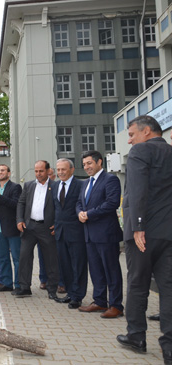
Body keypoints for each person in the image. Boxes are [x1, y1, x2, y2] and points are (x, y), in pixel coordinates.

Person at [116, 116, 172, 362]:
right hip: (168, 233)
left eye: (131, 134)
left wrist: (138, 226)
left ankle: (136, 335)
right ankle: (169, 346)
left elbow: (138, 189)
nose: (129, 140)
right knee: (169, 288)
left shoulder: (141, 151)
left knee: (138, 284)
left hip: (143, 234)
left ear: (146, 131)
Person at [76, 150, 124, 319]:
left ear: (99, 162)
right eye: (84, 165)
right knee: (96, 270)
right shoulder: (86, 183)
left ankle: (116, 305)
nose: (87, 167)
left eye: (89, 163)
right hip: (89, 234)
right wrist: (80, 212)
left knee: (111, 270)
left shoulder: (110, 180)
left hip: (106, 234)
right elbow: (79, 203)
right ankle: (99, 301)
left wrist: (89, 214)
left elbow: (112, 203)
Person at [15, 160, 59, 299]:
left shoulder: (55, 186)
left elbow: (60, 206)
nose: (38, 174)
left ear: (47, 171)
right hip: (29, 227)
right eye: (36, 171)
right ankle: (24, 287)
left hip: (46, 228)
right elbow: (21, 203)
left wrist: (57, 223)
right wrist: (20, 220)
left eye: (41, 171)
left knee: (50, 259)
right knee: (24, 257)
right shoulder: (28, 185)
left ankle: (52, 289)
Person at [52, 158, 88, 309]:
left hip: (76, 232)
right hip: (60, 232)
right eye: (58, 170)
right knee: (65, 265)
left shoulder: (81, 185)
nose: (60, 172)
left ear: (72, 170)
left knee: (78, 265)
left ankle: (78, 296)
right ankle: (70, 293)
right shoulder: (54, 186)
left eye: (63, 169)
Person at [0, 164, 22, 293]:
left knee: (17, 258)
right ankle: (7, 283)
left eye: (3, 170)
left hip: (12, 228)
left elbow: (15, 205)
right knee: (3, 258)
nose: (0, 172)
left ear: (9, 173)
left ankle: (19, 285)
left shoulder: (15, 187)